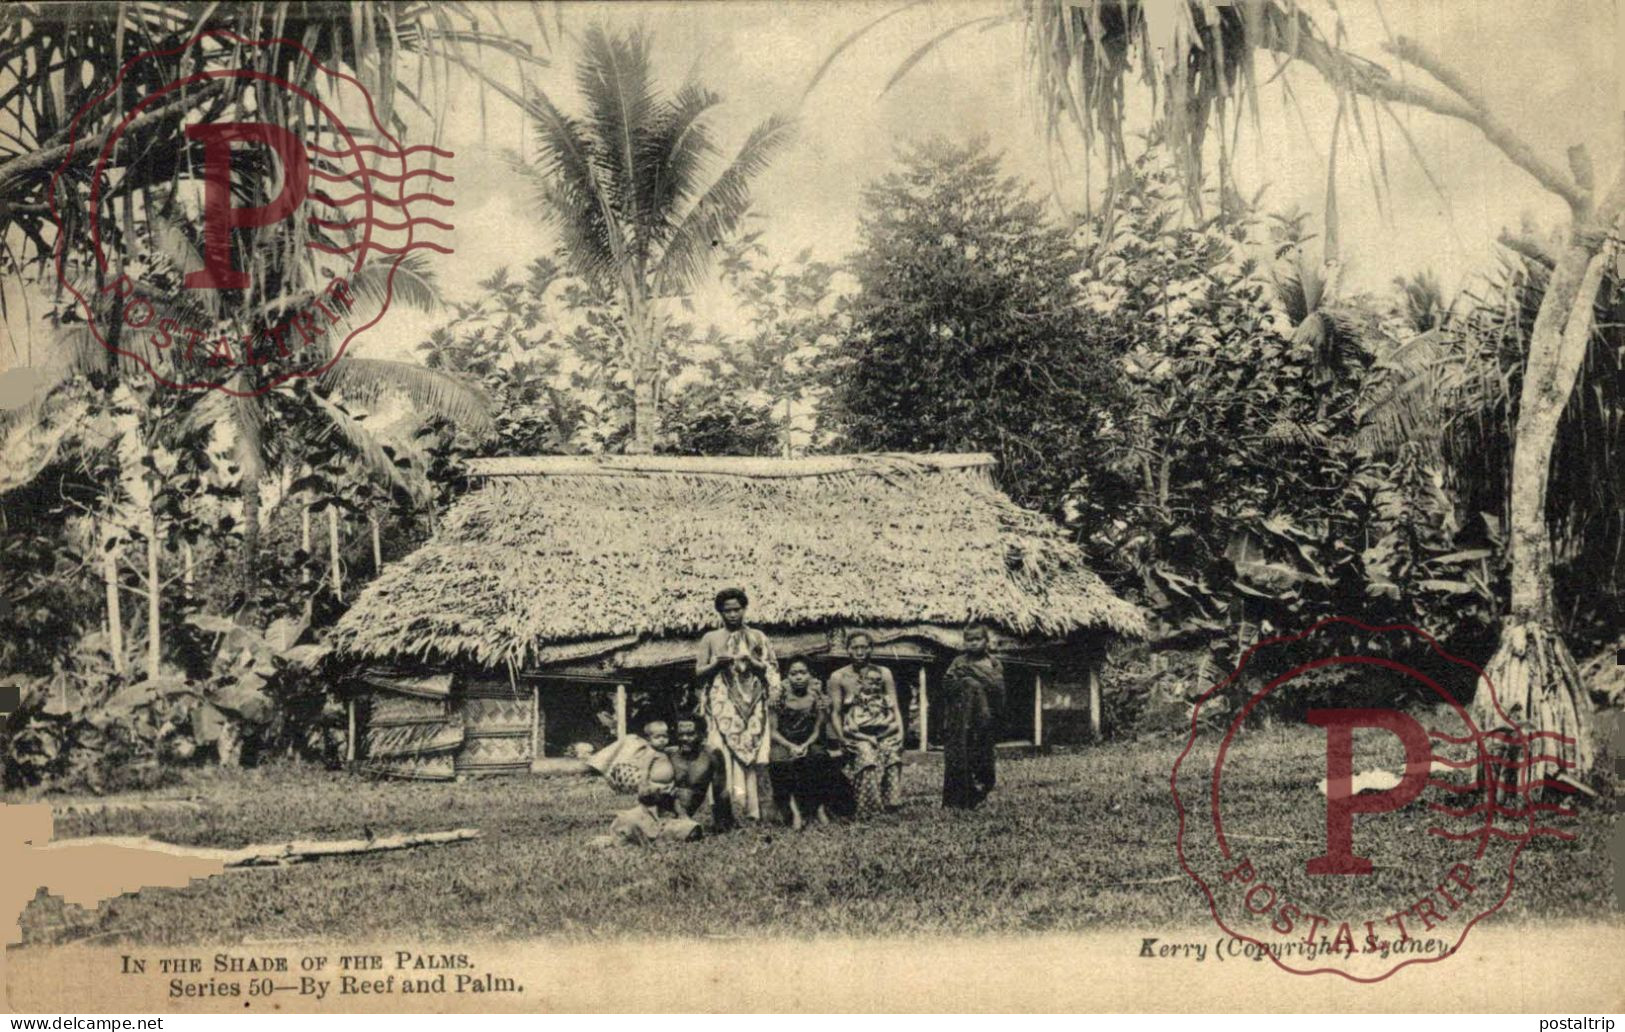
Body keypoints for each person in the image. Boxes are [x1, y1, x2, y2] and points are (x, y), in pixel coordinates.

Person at [694, 587, 780, 823]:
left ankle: (756, 812)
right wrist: (716, 665)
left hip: (753, 705)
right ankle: (725, 814)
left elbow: (772, 668)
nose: (732, 614)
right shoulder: (710, 638)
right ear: (720, 613)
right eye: (727, 610)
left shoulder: (758, 637)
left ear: (744, 609)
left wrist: (753, 662)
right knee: (721, 755)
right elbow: (699, 673)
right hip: (722, 705)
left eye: (737, 609)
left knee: (755, 756)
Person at [941, 622, 1006, 810]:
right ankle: (958, 801)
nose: (973, 643)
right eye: (969, 640)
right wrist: (966, 683)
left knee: (983, 759)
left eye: (977, 639)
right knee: (960, 758)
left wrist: (973, 675)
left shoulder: (993, 663)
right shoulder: (958, 662)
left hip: (985, 720)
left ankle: (980, 795)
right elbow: (947, 685)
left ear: (987, 641)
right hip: (962, 721)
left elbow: (998, 688)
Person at [768, 659, 838, 829]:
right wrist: (790, 746)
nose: (798, 677)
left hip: (808, 740)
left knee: (820, 757)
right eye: (793, 673)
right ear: (787, 677)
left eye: (803, 673)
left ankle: (819, 808)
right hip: (784, 742)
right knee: (778, 761)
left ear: (810, 675)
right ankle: (795, 812)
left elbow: (817, 729)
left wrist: (805, 744)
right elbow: (773, 731)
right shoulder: (778, 697)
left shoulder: (817, 696)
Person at [842, 665, 905, 816]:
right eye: (870, 681)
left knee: (891, 755)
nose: (874, 685)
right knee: (867, 757)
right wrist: (854, 726)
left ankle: (890, 803)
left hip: (881, 732)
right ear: (861, 682)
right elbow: (848, 718)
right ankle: (868, 805)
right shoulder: (854, 698)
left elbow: (891, 716)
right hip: (861, 734)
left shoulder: (884, 699)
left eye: (878, 682)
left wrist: (886, 723)